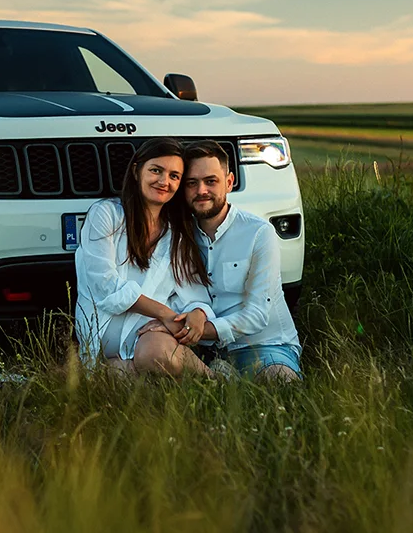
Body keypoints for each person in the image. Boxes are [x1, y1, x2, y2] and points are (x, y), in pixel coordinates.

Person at [140, 139, 302, 381]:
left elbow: (258, 314)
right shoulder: (178, 236)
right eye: (192, 183)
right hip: (203, 350)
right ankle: (218, 379)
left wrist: (190, 330)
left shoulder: (258, 233)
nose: (201, 191)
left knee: (280, 381)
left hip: (263, 346)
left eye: (210, 181)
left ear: (229, 182)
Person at [74, 138, 215, 376]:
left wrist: (198, 314)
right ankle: (124, 373)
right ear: (136, 171)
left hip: (150, 335)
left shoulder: (176, 232)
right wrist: (164, 314)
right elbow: (105, 286)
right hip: (103, 333)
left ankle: (215, 381)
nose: (164, 182)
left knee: (155, 355)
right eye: (156, 170)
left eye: (174, 176)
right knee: (125, 376)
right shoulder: (106, 214)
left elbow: (193, 293)